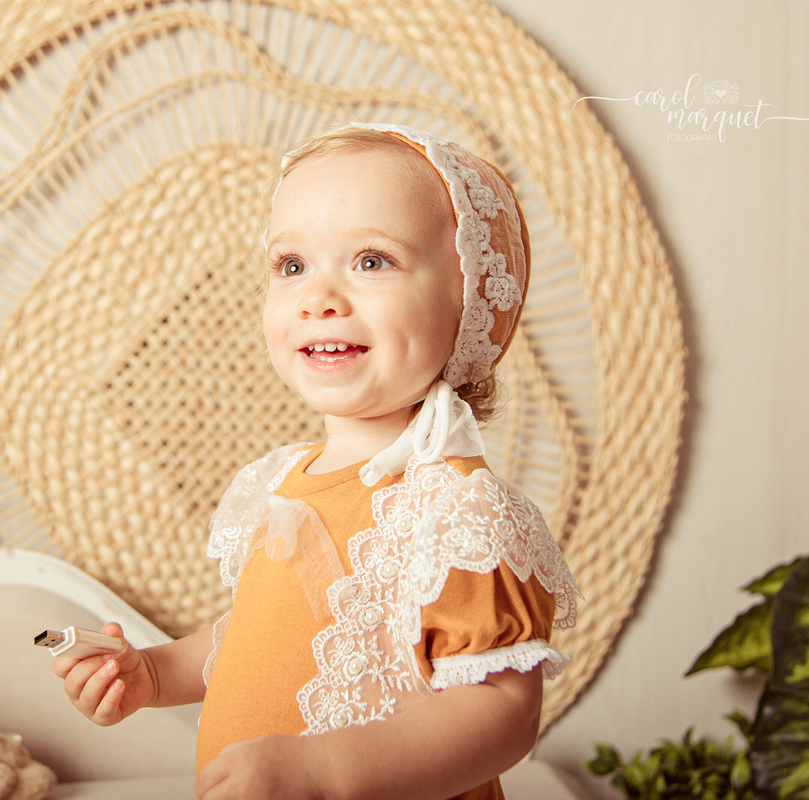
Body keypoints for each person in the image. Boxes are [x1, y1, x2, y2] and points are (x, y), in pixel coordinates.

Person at [53, 122, 581, 800]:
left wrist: (325, 771)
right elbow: (261, 635)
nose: (319, 296)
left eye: (371, 261)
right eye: (292, 265)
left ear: (466, 294)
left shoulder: (458, 511)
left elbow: (503, 714)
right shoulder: (283, 480)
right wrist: (154, 674)